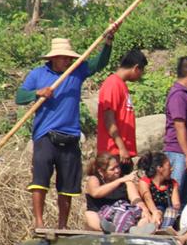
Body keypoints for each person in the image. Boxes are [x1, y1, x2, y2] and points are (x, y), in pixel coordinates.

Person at [17, 27, 116, 229]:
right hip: (45, 135)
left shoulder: (76, 71)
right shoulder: (38, 74)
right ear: (54, 58)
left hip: (70, 135)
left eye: (69, 58)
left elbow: (100, 63)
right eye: (63, 58)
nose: (67, 61)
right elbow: (19, 97)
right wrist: (38, 93)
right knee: (40, 180)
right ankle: (39, 222)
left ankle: (63, 225)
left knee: (68, 186)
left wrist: (108, 41)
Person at [95, 48, 148, 163]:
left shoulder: (121, 84)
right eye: (141, 71)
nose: (141, 75)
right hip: (113, 152)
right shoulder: (113, 84)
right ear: (136, 68)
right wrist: (122, 148)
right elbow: (108, 119)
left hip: (121, 152)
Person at [163, 56, 187, 207]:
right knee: (175, 194)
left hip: (184, 151)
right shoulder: (178, 95)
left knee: (185, 193)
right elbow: (179, 126)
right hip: (177, 151)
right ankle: (167, 225)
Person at [82, 153, 145, 233]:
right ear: (101, 171)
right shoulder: (94, 179)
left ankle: (136, 230)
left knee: (142, 215)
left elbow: (135, 198)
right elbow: (96, 193)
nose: (117, 171)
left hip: (122, 212)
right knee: (89, 215)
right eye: (112, 169)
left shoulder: (126, 181)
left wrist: (144, 209)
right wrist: (119, 181)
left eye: (118, 167)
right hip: (100, 214)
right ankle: (110, 228)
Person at [135, 151, 180, 232]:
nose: (172, 169)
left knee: (171, 211)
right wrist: (156, 212)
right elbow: (147, 199)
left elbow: (176, 204)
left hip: (167, 216)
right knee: (145, 220)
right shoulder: (145, 182)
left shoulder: (172, 184)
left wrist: (162, 213)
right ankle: (146, 231)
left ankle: (163, 231)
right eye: (169, 166)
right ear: (160, 168)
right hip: (150, 212)